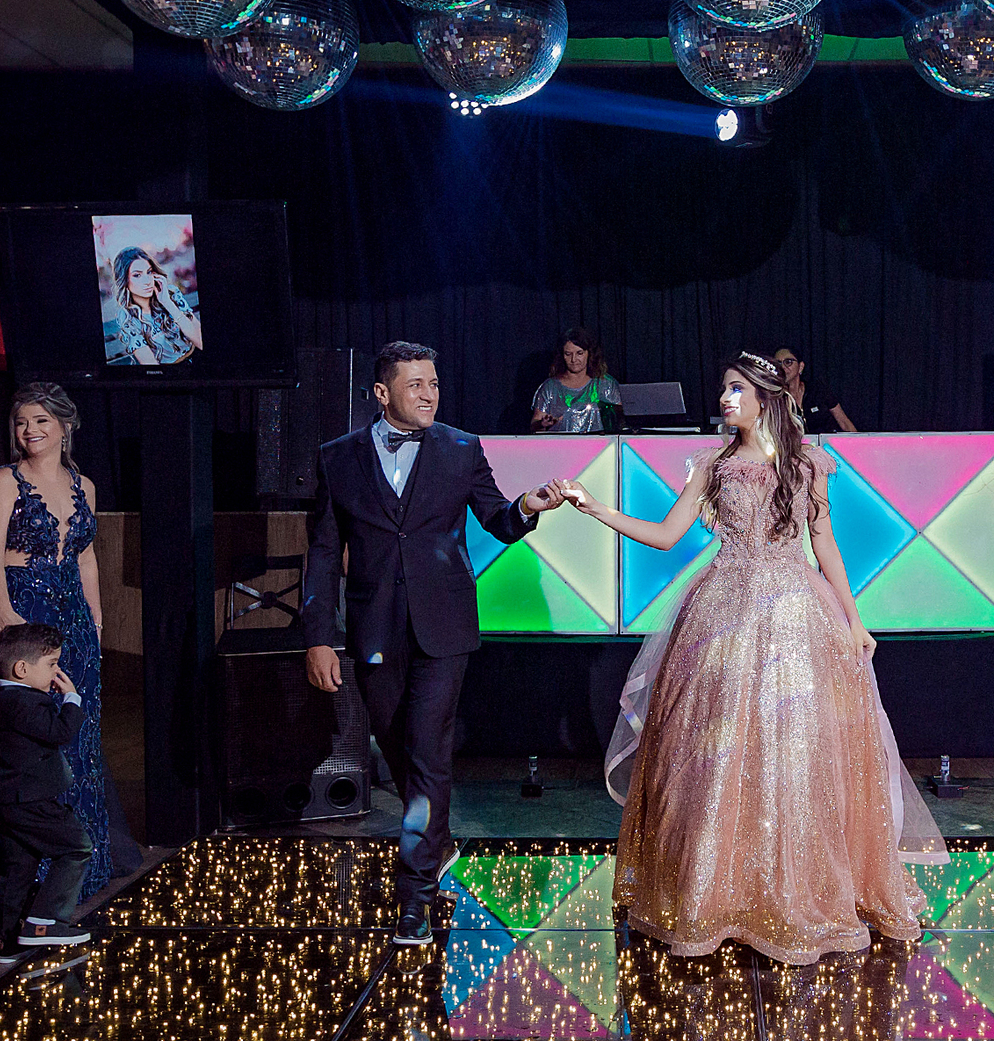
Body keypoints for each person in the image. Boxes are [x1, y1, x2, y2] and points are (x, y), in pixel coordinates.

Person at [562, 349, 944, 967]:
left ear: (766, 398)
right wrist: (595, 508)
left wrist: (854, 619)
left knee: (794, 750)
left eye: (737, 389)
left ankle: (793, 890)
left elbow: (823, 541)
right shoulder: (712, 465)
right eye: (724, 389)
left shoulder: (806, 463)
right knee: (712, 754)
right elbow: (666, 535)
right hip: (721, 616)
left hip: (796, 616)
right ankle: (713, 892)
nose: (725, 398)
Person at [303, 340, 566, 945]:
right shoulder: (337, 458)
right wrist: (318, 637)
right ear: (382, 393)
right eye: (416, 385)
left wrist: (528, 506)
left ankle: (415, 897)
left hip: (444, 628)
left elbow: (498, 518)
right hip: (374, 630)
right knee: (399, 746)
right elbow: (322, 553)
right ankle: (438, 843)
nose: (429, 395)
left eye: (434, 384)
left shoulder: (460, 448)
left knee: (427, 750)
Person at [0, 382, 140, 901]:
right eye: (22, 422)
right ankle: (36, 875)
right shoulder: (5, 481)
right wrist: (5, 615)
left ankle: (84, 862)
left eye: (41, 421)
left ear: (65, 426)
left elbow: (86, 557)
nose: (30, 431)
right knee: (35, 735)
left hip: (74, 616)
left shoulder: (83, 484)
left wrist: (97, 617)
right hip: (25, 609)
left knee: (80, 733)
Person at [0, 622, 93, 962]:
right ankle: (45, 922)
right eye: (51, 664)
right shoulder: (27, 702)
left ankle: (10, 942)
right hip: (31, 801)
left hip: (7, 801)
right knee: (77, 847)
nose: (57, 672)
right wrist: (72, 699)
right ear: (22, 669)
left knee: (17, 871)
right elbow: (59, 732)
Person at [113, 245, 202, 366]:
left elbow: (200, 342)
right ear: (124, 280)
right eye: (137, 275)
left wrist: (167, 303)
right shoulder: (127, 316)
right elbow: (150, 365)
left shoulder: (171, 293)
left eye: (149, 272)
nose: (147, 281)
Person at [530, 327, 622, 433]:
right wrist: (543, 424)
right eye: (568, 354)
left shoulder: (606, 384)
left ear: (589, 353)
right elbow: (535, 425)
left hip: (598, 443)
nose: (573, 360)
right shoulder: (550, 387)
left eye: (579, 353)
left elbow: (621, 421)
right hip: (560, 443)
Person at [773, 345, 857, 432]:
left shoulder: (818, 390)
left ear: (800, 367)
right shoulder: (774, 396)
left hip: (824, 440)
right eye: (778, 363)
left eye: (788, 362)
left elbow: (844, 422)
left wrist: (858, 440)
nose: (783, 367)